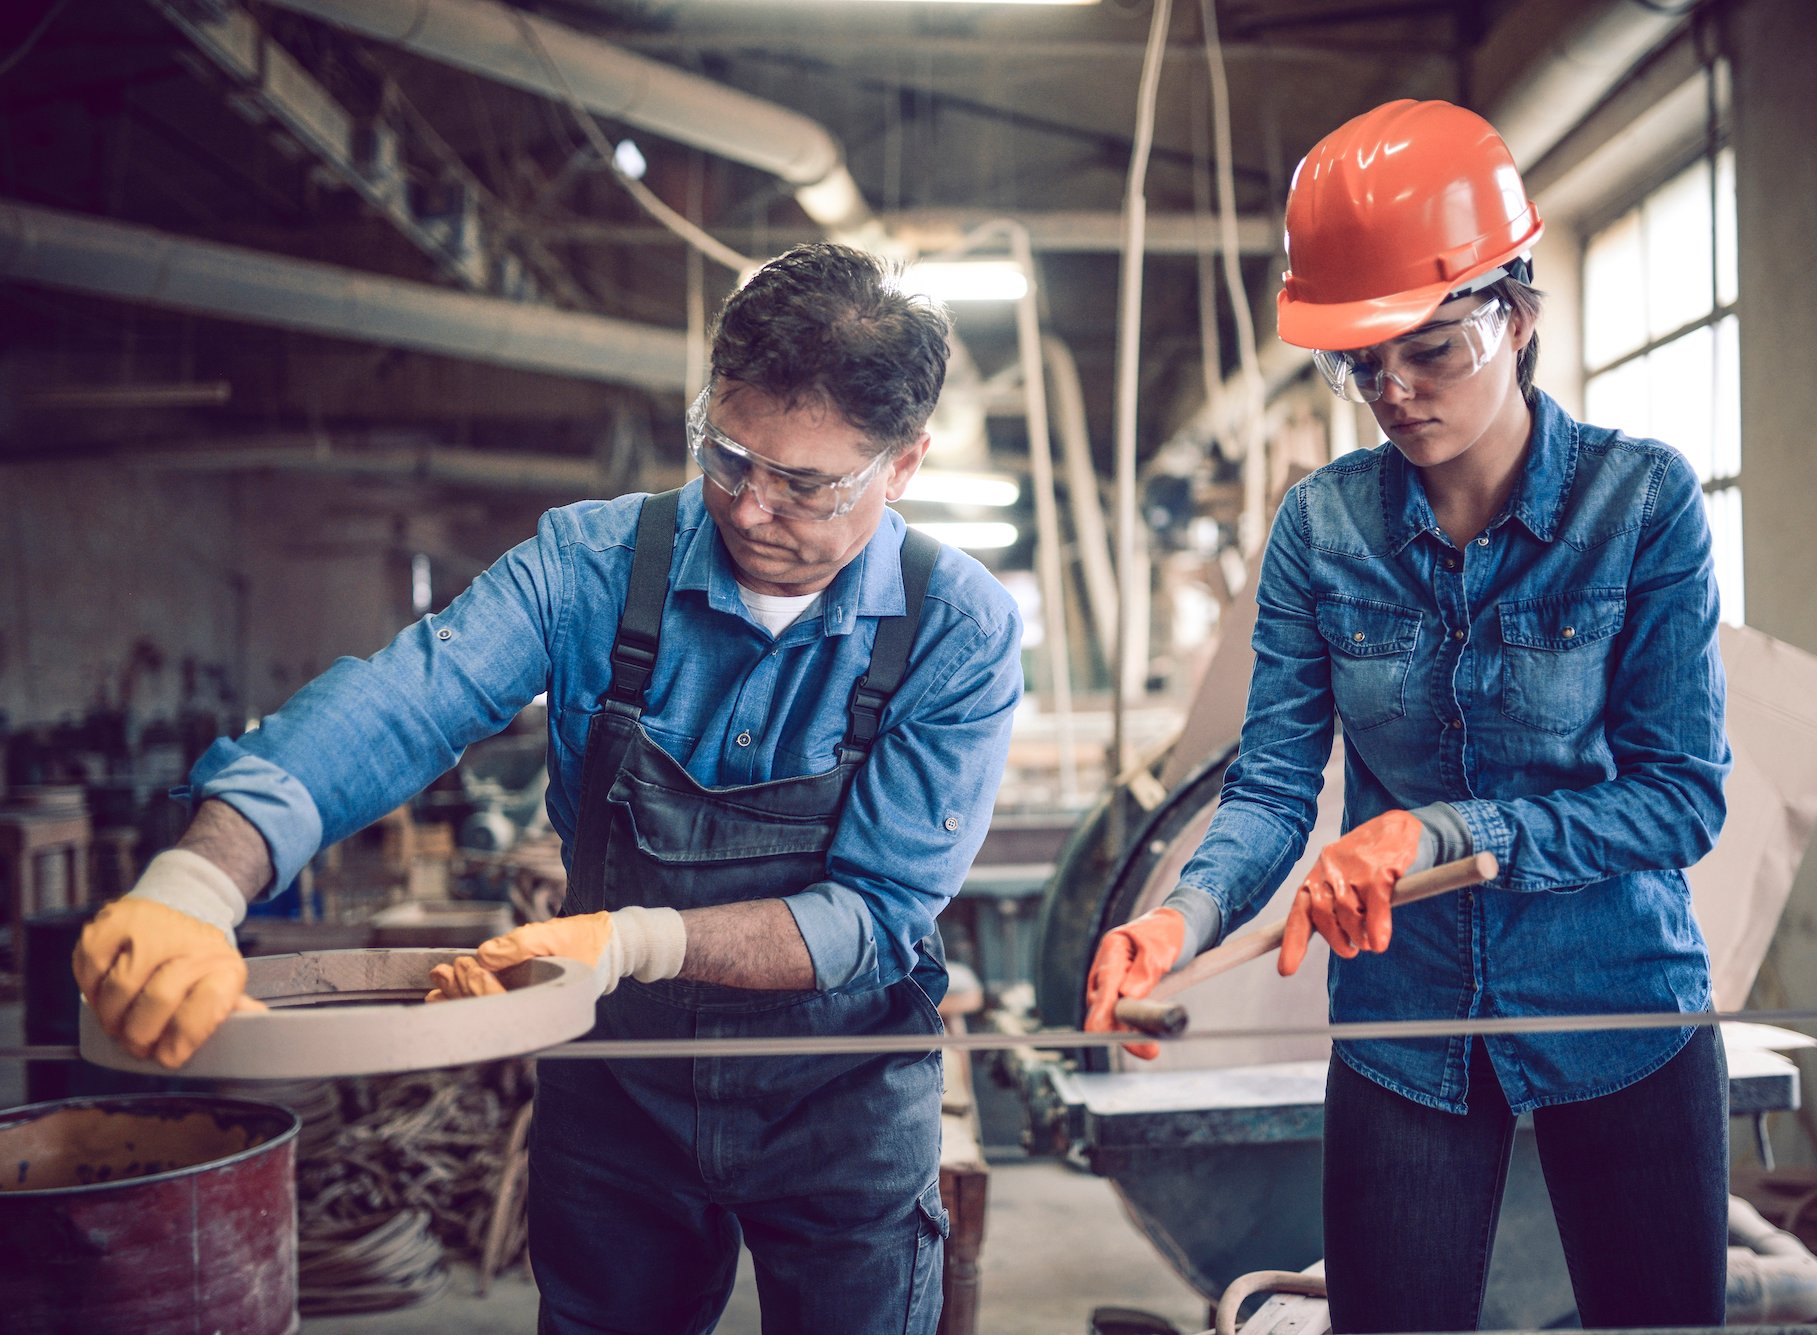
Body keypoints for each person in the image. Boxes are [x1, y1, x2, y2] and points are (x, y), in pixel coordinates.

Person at [73, 242, 1025, 1334]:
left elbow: (876, 912)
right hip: (617, 1092)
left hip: (839, 1105)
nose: (752, 509)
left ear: (901, 464)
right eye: (726, 456)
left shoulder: (957, 629)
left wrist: (634, 939)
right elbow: (404, 702)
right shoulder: (591, 566)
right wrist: (201, 876)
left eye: (805, 485)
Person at [1083, 100, 1731, 1331]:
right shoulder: (1319, 531)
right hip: (1407, 1026)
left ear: (1517, 316)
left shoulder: (1639, 505)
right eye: (1357, 362)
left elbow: (1678, 797)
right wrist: (1175, 920)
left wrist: (1433, 831)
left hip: (1621, 1005)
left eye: (1429, 348)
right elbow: (1272, 787)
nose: (1391, 389)